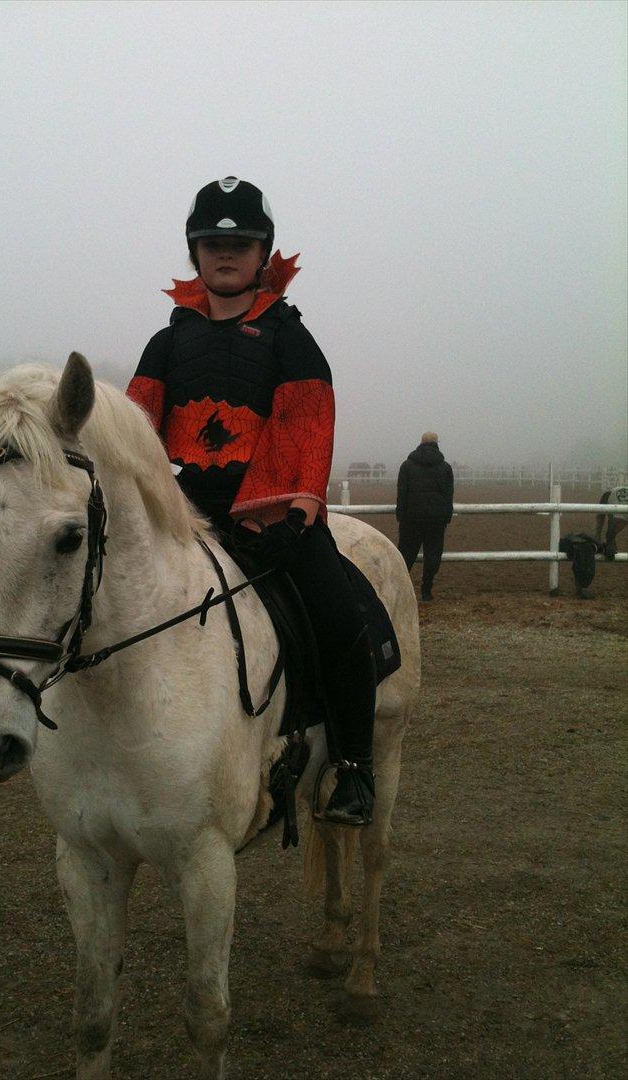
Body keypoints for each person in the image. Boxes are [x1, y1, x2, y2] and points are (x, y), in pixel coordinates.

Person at [126, 176, 375, 826]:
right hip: (189, 509)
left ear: (264, 253)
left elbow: (305, 425)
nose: (225, 254)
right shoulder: (168, 342)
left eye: (241, 243)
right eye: (211, 243)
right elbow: (133, 432)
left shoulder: (289, 337)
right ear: (194, 252)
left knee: (342, 618)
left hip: (273, 512)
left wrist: (294, 517)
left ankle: (351, 770)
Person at [396, 432, 454, 601]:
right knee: (433, 556)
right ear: (437, 444)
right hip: (436, 520)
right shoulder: (445, 467)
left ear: (420, 443)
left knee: (405, 555)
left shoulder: (407, 466)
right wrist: (446, 516)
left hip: (411, 519)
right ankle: (426, 590)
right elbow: (448, 494)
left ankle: (400, 589)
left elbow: (402, 493)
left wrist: (401, 515)